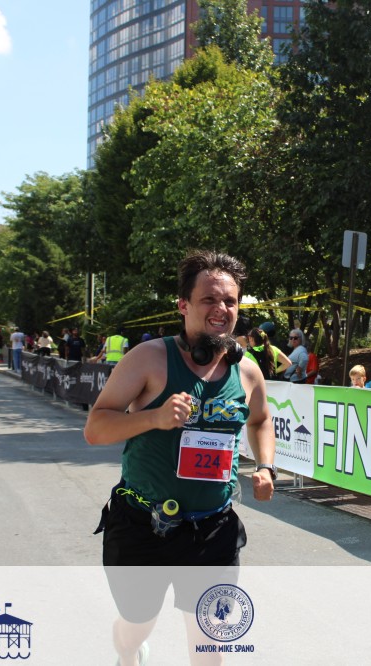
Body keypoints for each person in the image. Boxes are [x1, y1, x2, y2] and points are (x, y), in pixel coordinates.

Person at [84, 250, 275, 665]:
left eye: (230, 301)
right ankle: (129, 652)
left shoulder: (247, 370)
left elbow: (261, 420)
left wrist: (264, 466)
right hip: (142, 524)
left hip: (213, 528)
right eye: (209, 299)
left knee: (210, 641)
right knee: (136, 626)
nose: (221, 308)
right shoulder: (149, 358)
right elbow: (95, 428)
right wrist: (153, 417)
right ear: (183, 305)